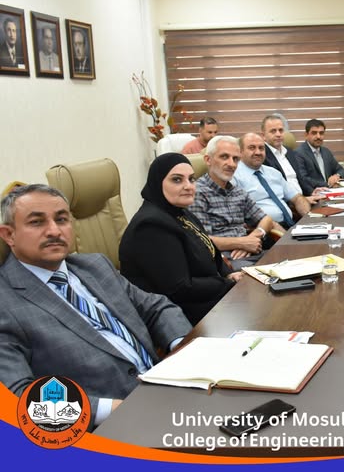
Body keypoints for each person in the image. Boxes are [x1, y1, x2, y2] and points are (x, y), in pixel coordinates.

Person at [0, 184, 191, 426]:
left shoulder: (94, 265)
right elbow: (17, 396)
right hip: (108, 426)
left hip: (167, 386)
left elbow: (156, 307)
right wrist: (109, 410)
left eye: (62, 219)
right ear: (9, 235)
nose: (54, 231)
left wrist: (183, 349)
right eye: (36, 222)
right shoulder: (6, 302)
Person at [119, 153, 242, 325]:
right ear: (158, 182)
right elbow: (180, 288)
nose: (188, 186)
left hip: (206, 297)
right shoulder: (151, 226)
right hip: (179, 314)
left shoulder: (179, 212)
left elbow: (210, 251)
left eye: (191, 179)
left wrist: (230, 274)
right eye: (177, 180)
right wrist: (226, 283)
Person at [188, 136, 280, 270]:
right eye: (224, 157)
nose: (231, 164)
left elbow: (266, 219)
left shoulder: (237, 191)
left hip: (251, 253)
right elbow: (203, 241)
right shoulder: (197, 193)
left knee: (293, 263)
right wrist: (242, 242)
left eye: (236, 159)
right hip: (225, 260)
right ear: (208, 160)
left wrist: (255, 236)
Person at [233, 132, 311, 228]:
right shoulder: (234, 177)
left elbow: (297, 198)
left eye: (261, 148)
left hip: (291, 225)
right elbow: (241, 216)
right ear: (240, 152)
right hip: (266, 230)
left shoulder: (274, 173)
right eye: (252, 148)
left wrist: (309, 220)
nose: (258, 152)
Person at [261, 113, 314, 196]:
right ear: (263, 136)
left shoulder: (289, 152)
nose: (278, 134)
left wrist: (312, 192)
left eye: (281, 130)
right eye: (273, 131)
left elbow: (299, 179)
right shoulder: (262, 156)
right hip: (287, 201)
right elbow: (275, 189)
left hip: (304, 198)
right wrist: (301, 200)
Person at [297, 119, 344, 189]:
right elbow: (304, 179)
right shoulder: (299, 153)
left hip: (331, 191)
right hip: (313, 193)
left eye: (321, 133)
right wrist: (328, 184)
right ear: (306, 135)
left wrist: (337, 176)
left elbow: (341, 170)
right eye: (314, 133)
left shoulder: (326, 152)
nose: (318, 136)